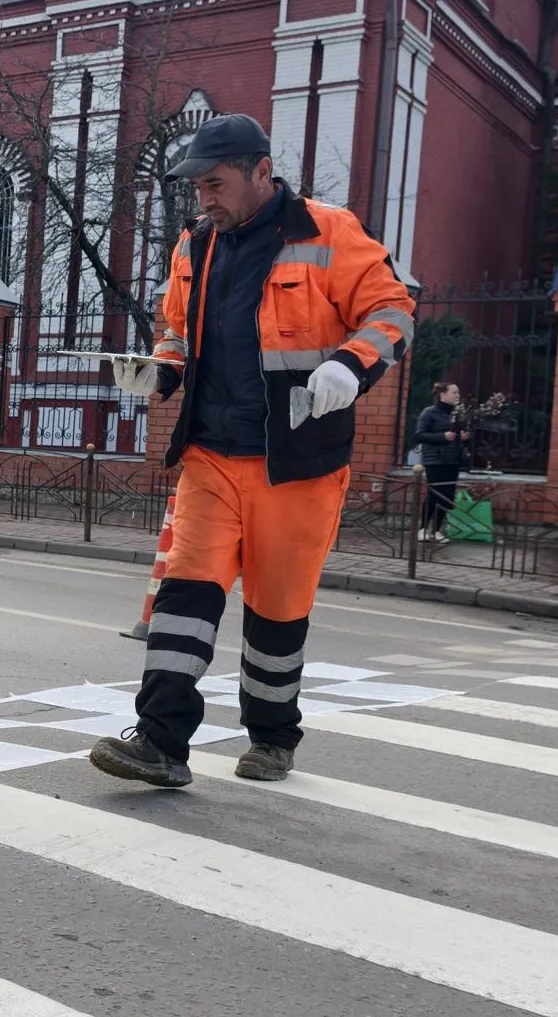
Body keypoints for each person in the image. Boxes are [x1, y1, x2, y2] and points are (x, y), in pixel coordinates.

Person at [89, 113, 415, 788]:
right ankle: (159, 741)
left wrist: (350, 367)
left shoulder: (329, 232)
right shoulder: (194, 247)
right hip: (211, 455)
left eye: (216, 184)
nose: (203, 199)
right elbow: (176, 333)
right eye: (197, 188)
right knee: (184, 595)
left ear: (261, 172)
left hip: (297, 463)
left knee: (276, 610)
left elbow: (393, 311)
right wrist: (157, 370)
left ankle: (271, 737)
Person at [413, 382, 469, 543]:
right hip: (435, 460)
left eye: (458, 393)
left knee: (447, 496)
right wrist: (443, 437)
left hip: (453, 459)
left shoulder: (458, 414)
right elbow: (419, 436)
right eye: (454, 392)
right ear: (442, 394)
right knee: (434, 494)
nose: (457, 396)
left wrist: (464, 437)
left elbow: (460, 435)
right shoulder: (429, 412)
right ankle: (423, 528)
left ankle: (436, 530)